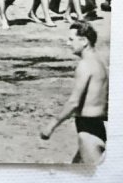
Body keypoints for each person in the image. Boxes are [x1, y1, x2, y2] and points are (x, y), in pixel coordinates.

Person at [40, 23, 108, 164]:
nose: (67, 43)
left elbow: (73, 102)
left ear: (83, 41)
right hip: (100, 126)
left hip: (89, 131)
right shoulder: (101, 62)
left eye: (71, 39)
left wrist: (51, 125)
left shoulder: (85, 65)